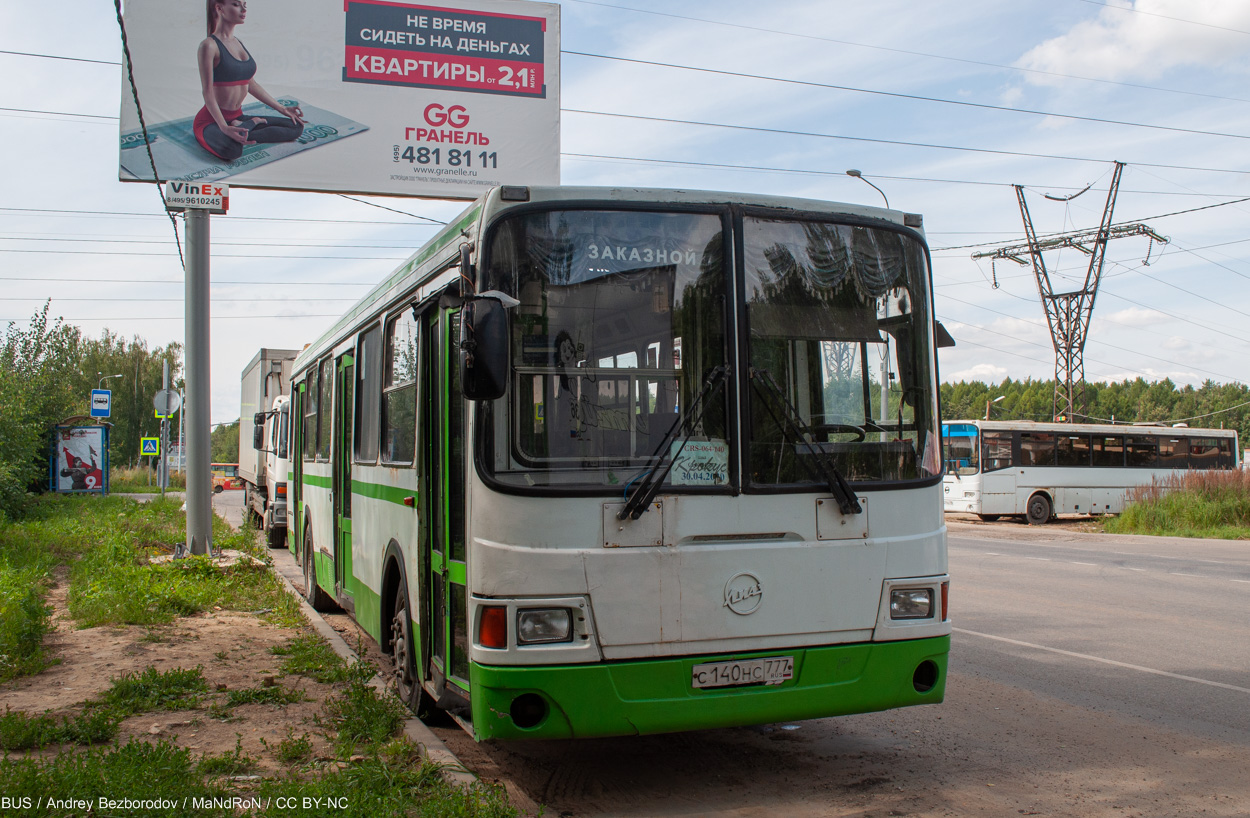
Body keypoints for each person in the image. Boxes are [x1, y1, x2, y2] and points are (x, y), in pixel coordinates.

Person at [194, 0, 304, 162]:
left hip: (238, 116)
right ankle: (248, 126)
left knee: (296, 127)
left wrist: (282, 109)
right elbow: (207, 92)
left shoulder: (238, 43)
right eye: (236, 4)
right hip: (211, 121)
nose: (244, 9)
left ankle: (245, 127)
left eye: (245, 4)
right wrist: (224, 127)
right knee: (232, 150)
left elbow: (250, 83)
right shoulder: (208, 46)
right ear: (219, 8)